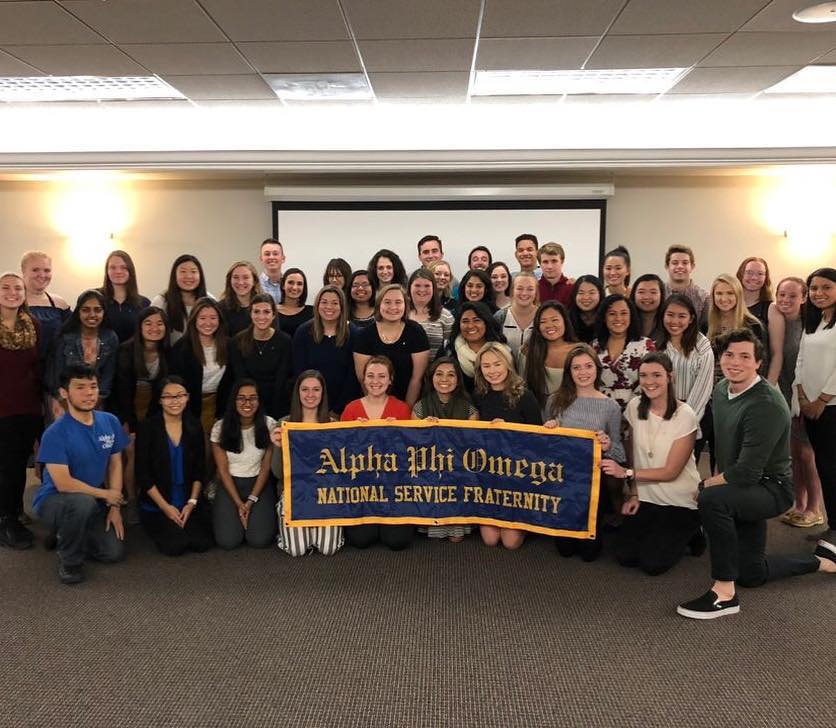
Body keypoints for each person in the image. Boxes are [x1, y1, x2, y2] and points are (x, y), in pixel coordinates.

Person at [677, 328, 836, 620]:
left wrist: (707, 484)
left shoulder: (766, 404)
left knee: (711, 498)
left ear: (758, 363)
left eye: (744, 356)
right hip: (741, 486)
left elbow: (748, 472)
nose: (735, 362)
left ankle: (724, 594)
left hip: (770, 489)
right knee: (752, 573)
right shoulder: (722, 389)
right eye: (729, 355)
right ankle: (820, 561)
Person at [602, 353, 702, 575]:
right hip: (647, 496)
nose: (649, 381)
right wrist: (634, 493)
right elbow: (633, 452)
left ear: (670, 377)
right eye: (644, 375)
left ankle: (695, 529)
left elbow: (670, 472)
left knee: (652, 564)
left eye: (657, 375)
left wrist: (625, 473)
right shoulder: (635, 406)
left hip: (679, 499)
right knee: (625, 556)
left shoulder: (685, 415)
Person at [33, 364, 129, 584]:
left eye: (93, 386)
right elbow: (64, 484)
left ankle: (66, 533)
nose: (89, 393)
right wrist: (107, 496)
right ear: (64, 393)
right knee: (81, 504)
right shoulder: (55, 433)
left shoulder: (110, 421)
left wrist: (114, 507)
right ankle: (70, 561)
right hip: (54, 500)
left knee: (112, 553)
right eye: (80, 387)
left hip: (93, 499)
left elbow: (115, 464)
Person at [544, 344, 625, 561]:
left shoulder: (610, 407)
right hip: (561, 480)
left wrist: (608, 445)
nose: (583, 372)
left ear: (597, 369)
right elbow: (542, 446)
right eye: (576, 368)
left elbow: (619, 454)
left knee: (589, 554)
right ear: (569, 372)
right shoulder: (554, 400)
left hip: (592, 484)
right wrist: (549, 429)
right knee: (565, 550)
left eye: (588, 366)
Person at [472, 342, 542, 550]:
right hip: (489, 473)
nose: (492, 371)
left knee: (510, 543)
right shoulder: (478, 396)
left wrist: (509, 431)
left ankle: (528, 521)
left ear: (508, 365)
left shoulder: (524, 396)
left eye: (497, 364)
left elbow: (537, 441)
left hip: (517, 474)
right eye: (486, 366)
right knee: (490, 540)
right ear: (480, 370)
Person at [341, 356, 414, 550]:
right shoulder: (351, 409)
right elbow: (341, 456)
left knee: (398, 541)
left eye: (382, 376)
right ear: (363, 379)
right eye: (370, 376)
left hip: (394, 489)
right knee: (361, 540)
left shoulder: (402, 409)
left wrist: (396, 435)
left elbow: (411, 456)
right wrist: (356, 437)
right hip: (363, 490)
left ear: (390, 380)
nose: (375, 381)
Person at [135, 376, 214, 556]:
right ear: (159, 400)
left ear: (187, 398)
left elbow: (199, 470)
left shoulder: (194, 426)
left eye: (180, 395)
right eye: (168, 397)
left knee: (202, 543)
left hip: (187, 500)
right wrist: (165, 508)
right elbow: (143, 474)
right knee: (175, 546)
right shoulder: (147, 427)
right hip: (158, 503)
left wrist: (191, 503)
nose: (175, 401)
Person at [272, 370, 344, 556]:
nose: (310, 395)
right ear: (297, 393)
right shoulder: (284, 424)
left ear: (322, 393)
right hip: (294, 494)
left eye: (315, 389)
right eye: (304, 389)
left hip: (325, 495)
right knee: (296, 550)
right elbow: (278, 473)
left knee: (329, 549)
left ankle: (315, 532)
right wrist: (278, 447)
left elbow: (342, 470)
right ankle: (293, 531)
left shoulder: (333, 425)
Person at [700, 274, 767, 470]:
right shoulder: (707, 325)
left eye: (729, 293)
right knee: (715, 449)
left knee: (735, 450)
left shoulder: (753, 325)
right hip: (712, 395)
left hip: (741, 396)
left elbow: (760, 363)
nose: (724, 298)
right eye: (719, 293)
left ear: (738, 295)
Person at [773, 277, 824, 528]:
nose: (785, 300)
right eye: (781, 294)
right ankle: (799, 503)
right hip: (783, 394)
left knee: (806, 454)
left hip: (803, 396)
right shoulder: (778, 321)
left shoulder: (809, 324)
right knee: (794, 453)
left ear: (803, 298)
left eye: (792, 296)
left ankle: (815, 508)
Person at [112, 306, 170, 523]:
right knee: (133, 450)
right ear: (139, 326)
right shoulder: (126, 350)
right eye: (148, 323)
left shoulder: (167, 351)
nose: (154, 328)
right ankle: (133, 499)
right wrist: (129, 424)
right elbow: (121, 392)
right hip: (127, 409)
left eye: (159, 323)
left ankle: (152, 494)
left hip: (154, 410)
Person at [412, 357, 478, 542]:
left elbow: (471, 449)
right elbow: (414, 449)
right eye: (439, 374)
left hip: (458, 468)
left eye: (451, 375)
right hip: (430, 467)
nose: (445, 379)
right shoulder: (420, 408)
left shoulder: (469, 410)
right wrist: (426, 432)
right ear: (431, 378)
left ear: (458, 380)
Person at [0, 272, 42, 549]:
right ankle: (5, 521)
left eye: (18, 288)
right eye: (5, 288)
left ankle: (14, 510)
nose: (12, 292)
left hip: (28, 407)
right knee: (6, 467)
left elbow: (35, 368)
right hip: (2, 409)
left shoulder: (33, 324)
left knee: (19, 464)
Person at [794, 268, 836, 541]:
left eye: (826, 287)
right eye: (813, 288)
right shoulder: (816, 321)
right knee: (823, 466)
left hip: (830, 407)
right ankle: (832, 525)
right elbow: (801, 358)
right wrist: (800, 395)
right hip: (809, 405)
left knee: (832, 467)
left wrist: (821, 400)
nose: (818, 293)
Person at [211, 379, 277, 549]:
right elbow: (223, 471)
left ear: (259, 401)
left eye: (252, 398)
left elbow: (265, 468)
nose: (247, 403)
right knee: (228, 541)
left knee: (259, 540)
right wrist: (238, 503)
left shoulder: (270, 424)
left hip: (258, 484)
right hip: (230, 485)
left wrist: (250, 501)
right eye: (241, 398)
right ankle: (234, 515)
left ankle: (249, 514)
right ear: (234, 401)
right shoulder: (220, 427)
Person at [353, 284, 430, 408]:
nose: (393, 307)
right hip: (373, 403)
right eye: (387, 302)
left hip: (408, 401)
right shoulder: (365, 335)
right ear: (379, 305)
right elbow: (363, 379)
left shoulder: (416, 332)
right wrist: (376, 408)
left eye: (398, 302)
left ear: (405, 306)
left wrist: (406, 410)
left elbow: (417, 378)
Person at [168, 297, 233, 434]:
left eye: (213, 318)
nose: (208, 323)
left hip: (221, 406)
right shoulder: (181, 348)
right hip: (190, 407)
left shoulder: (230, 345)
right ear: (194, 320)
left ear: (220, 320)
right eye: (202, 318)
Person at [293, 286, 359, 416]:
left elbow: (353, 377)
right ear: (317, 305)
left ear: (342, 307)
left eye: (335, 303)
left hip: (344, 408)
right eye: (324, 302)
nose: (329, 307)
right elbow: (299, 372)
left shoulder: (354, 334)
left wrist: (338, 410)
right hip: (310, 406)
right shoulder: (303, 332)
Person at [48, 289, 119, 404]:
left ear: (104, 312)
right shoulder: (65, 336)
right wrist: (62, 401)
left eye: (97, 310)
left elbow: (108, 375)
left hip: (97, 400)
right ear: (78, 312)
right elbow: (55, 374)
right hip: (64, 399)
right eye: (86, 310)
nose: (92, 315)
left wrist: (97, 400)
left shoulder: (110, 337)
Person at [655, 294, 714, 427]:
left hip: (695, 414)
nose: (675, 321)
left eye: (682, 316)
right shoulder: (656, 345)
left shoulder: (702, 345)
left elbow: (703, 388)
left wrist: (684, 422)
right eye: (670, 315)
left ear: (691, 319)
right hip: (662, 415)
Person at [230, 293, 292, 419]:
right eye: (256, 312)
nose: (261, 316)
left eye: (266, 312)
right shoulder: (238, 341)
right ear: (250, 314)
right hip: (247, 405)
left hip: (277, 405)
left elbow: (282, 380)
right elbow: (239, 378)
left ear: (273, 315)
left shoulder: (285, 341)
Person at [592, 294, 655, 409]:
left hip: (636, 411)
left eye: (624, 313)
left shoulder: (645, 345)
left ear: (631, 316)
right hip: (599, 410)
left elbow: (650, 382)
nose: (618, 318)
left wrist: (631, 414)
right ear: (604, 318)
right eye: (612, 314)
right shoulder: (594, 346)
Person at [519, 301, 577, 414]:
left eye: (555, 320)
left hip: (573, 415)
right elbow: (522, 389)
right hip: (537, 414)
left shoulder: (579, 352)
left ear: (565, 321)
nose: (549, 325)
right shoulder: (526, 352)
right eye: (543, 322)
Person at [438, 302, 508, 394]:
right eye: (465, 321)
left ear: (486, 322)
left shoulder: (503, 352)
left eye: (476, 320)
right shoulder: (448, 351)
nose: (470, 326)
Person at [736, 256, 784, 383]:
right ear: (741, 274)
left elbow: (777, 354)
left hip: (759, 380)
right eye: (749, 272)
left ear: (765, 278)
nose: (754, 277)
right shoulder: (731, 305)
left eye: (760, 274)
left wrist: (770, 385)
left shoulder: (771, 309)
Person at [150, 254, 211, 344]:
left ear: (200, 275)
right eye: (183, 271)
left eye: (193, 272)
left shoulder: (209, 300)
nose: (189, 276)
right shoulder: (161, 301)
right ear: (174, 275)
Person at [20, 249, 70, 359]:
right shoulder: (13, 302)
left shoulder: (60, 304)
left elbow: (72, 338)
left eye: (47, 270)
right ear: (23, 271)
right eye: (35, 270)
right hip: (21, 368)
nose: (42, 275)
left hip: (53, 368)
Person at [99, 250, 151, 343]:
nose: (118, 271)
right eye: (113, 267)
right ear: (107, 271)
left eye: (123, 267)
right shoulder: (95, 298)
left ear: (130, 271)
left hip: (133, 356)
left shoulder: (144, 303)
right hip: (101, 356)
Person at [407, 268, 454, 360]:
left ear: (433, 288)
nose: (422, 289)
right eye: (417, 285)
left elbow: (450, 348)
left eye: (427, 286)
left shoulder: (445, 316)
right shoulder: (400, 313)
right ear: (409, 287)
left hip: (435, 371)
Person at [494, 271, 538, 362]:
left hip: (536, 373)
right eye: (520, 288)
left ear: (536, 292)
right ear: (512, 290)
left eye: (530, 289)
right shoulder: (500, 317)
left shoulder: (542, 316)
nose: (524, 293)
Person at [663, 244, 709, 321]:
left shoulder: (703, 299)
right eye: (675, 263)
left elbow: (706, 330)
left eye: (685, 263)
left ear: (692, 267)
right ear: (667, 267)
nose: (680, 266)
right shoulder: (657, 294)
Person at [217, 260, 263, 337]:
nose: (241, 282)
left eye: (246, 277)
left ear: (254, 281)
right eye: (236, 277)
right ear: (229, 281)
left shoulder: (264, 307)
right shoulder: (220, 308)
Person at [276, 268, 313, 338]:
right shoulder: (272, 312)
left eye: (299, 284)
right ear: (283, 285)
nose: (295, 287)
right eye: (290, 282)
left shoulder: (313, 312)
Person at [568, 274, 604, 344]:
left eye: (591, 293)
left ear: (600, 294)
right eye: (581, 293)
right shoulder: (567, 319)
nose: (586, 297)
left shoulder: (607, 317)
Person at [629, 273, 665, 340]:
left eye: (653, 292)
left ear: (661, 295)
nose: (647, 297)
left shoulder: (669, 322)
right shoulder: (625, 320)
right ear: (634, 294)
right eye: (641, 292)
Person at [537, 242, 572, 307]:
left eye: (554, 261)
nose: (550, 266)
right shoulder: (534, 289)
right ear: (540, 264)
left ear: (562, 261)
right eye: (545, 262)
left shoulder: (572, 288)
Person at [258, 238, 285, 304]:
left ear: (283, 259)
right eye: (267, 254)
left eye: (275, 254)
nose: (271, 257)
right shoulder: (255, 285)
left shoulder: (289, 285)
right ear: (261, 259)